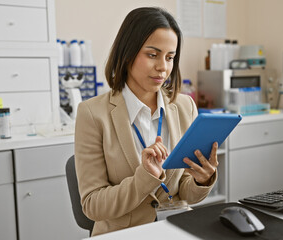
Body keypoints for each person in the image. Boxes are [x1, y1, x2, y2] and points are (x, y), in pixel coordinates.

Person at [75, 7, 218, 236]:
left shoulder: (184, 106)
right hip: (123, 233)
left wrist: (202, 180)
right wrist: (145, 178)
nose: (163, 67)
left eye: (170, 57)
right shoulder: (92, 114)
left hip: (176, 229)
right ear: (127, 53)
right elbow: (93, 205)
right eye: (152, 55)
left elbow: (185, 192)